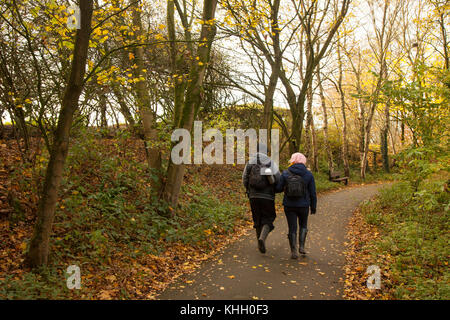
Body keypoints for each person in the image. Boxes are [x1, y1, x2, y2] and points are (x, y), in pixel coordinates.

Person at [276, 153, 317, 259]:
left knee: (292, 227)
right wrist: (313, 206)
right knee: (303, 225)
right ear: (303, 161)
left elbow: (279, 188)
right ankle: (302, 247)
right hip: (304, 205)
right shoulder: (308, 174)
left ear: (292, 161)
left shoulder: (285, 173)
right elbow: (313, 192)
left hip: (289, 205)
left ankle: (293, 251)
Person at [242, 143, 280, 254]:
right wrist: (276, 189)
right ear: (266, 151)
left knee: (257, 219)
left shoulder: (250, 162)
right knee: (269, 218)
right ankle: (262, 238)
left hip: (253, 196)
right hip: (268, 196)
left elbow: (244, 178)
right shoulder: (270, 162)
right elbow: (278, 178)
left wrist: (249, 190)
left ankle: (259, 243)